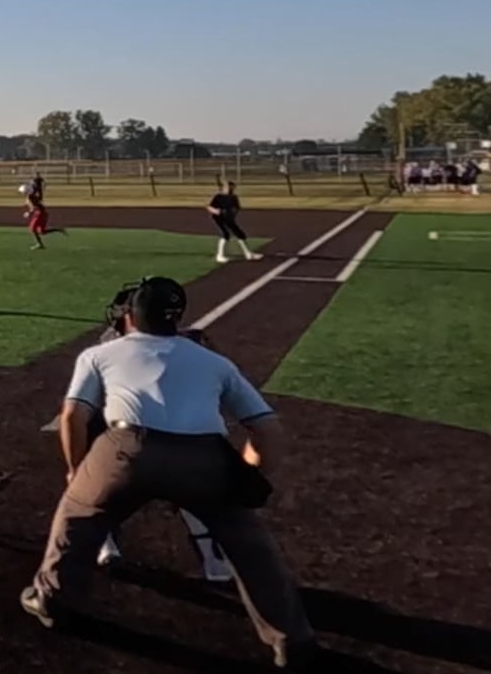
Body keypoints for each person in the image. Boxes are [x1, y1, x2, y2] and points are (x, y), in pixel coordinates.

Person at [20, 277, 315, 669]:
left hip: (127, 448)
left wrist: (78, 470)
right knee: (252, 546)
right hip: (205, 457)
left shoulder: (100, 353)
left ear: (130, 316)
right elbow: (266, 428)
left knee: (78, 514)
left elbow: (73, 415)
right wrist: (247, 474)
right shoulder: (214, 362)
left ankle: (52, 600)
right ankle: (290, 640)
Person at [85, 283, 235, 583]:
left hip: (132, 447)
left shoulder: (108, 348)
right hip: (187, 445)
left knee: (92, 460)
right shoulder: (194, 343)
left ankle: (104, 541)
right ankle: (213, 557)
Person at [208, 181, 264, 264]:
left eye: (232, 187)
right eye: (229, 187)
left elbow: (236, 208)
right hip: (219, 218)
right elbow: (210, 207)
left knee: (239, 234)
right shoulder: (218, 197)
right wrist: (217, 211)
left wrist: (231, 214)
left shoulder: (234, 197)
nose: (230, 189)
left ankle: (248, 254)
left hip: (229, 218)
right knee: (225, 234)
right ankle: (219, 256)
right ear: (225, 188)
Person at [24, 174, 65, 250]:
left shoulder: (31, 195)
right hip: (43, 213)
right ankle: (58, 229)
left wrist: (29, 213)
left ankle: (39, 244)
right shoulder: (36, 192)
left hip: (40, 213)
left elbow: (33, 207)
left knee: (32, 229)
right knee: (42, 231)